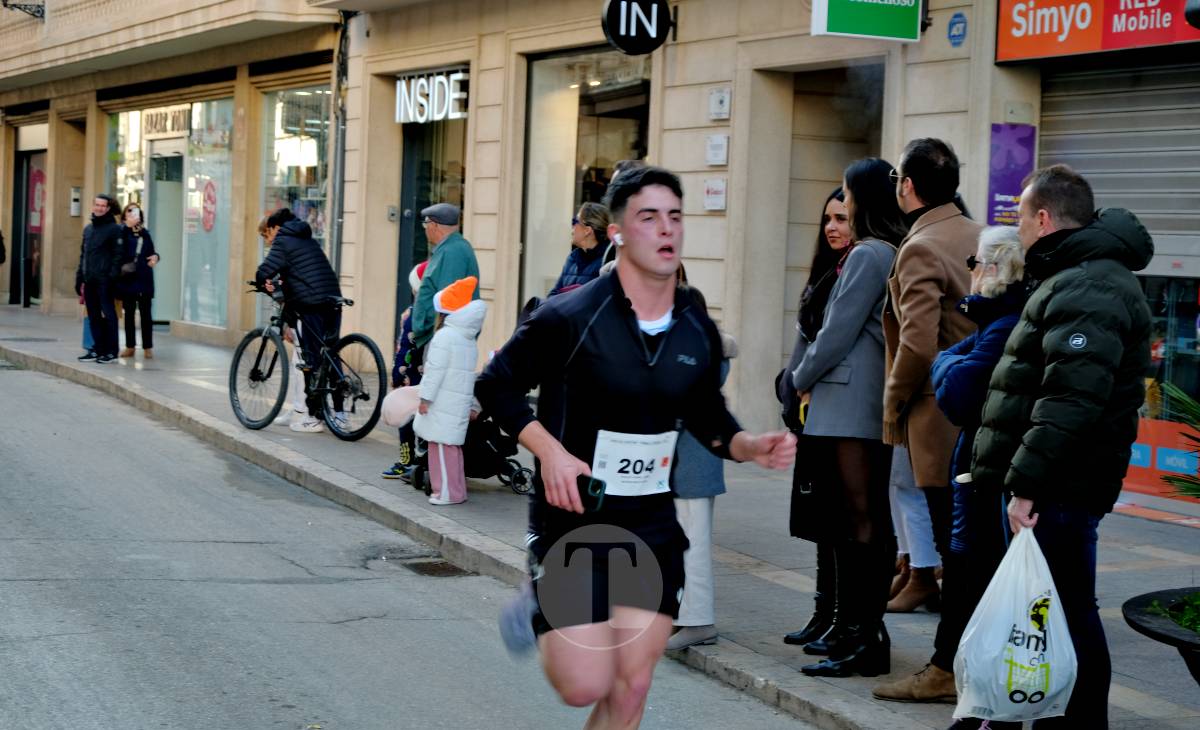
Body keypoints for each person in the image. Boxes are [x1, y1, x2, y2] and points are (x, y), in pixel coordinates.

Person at [478, 166, 795, 729]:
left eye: (675, 216)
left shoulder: (692, 316)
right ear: (619, 230)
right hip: (576, 517)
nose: (666, 229)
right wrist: (549, 451)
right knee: (586, 685)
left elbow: (704, 411)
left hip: (651, 523)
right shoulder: (570, 314)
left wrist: (747, 445)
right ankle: (538, 601)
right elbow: (495, 385)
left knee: (633, 684)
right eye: (649, 217)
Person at [972, 165, 1152, 727]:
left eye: (1022, 219)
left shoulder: (1089, 284)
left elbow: (1070, 400)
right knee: (1055, 614)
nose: (1018, 231)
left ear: (1044, 218)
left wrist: (1026, 485)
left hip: (1061, 486)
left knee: (1068, 614)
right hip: (1060, 483)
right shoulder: (1078, 275)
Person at [877, 227, 1031, 712]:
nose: (972, 271)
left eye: (976, 262)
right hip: (977, 467)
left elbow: (959, 387)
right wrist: (951, 361)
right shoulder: (992, 322)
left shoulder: (1004, 323)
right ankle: (950, 669)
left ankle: (953, 674)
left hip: (986, 474)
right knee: (963, 570)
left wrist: (945, 361)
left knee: (969, 572)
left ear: (997, 267)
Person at [789, 160, 902, 678]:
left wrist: (797, 376)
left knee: (862, 521)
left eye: (849, 197)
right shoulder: (879, 251)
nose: (843, 210)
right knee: (858, 520)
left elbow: (835, 332)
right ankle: (854, 631)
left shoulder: (870, 254)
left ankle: (863, 637)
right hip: (851, 400)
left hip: (850, 400)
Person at [881, 138, 983, 618]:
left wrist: (893, 399)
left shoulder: (920, 246)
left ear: (909, 185)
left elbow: (917, 342)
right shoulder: (979, 235)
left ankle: (952, 656)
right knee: (970, 533)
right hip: (980, 400)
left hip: (936, 408)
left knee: (950, 535)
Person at [778, 187, 850, 649]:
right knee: (822, 520)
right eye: (828, 218)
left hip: (835, 412)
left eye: (843, 218)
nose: (832, 227)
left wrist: (800, 378)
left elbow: (831, 342)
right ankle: (823, 611)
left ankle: (839, 615)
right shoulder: (826, 273)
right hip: (811, 414)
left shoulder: (856, 270)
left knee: (839, 523)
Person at [666, 285, 737, 651]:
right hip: (683, 467)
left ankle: (699, 621)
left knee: (693, 544)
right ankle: (682, 617)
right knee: (681, 544)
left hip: (693, 467)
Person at [255, 207, 342, 434]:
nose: (268, 238)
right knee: (327, 355)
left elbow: (266, 271)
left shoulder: (284, 240)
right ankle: (331, 414)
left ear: (275, 228)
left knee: (308, 359)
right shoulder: (305, 238)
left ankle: (310, 417)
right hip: (331, 298)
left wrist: (260, 281)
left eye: (267, 233)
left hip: (311, 304)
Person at [415, 276, 487, 506]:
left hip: (441, 403)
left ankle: (444, 493)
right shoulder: (467, 339)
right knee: (454, 449)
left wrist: (425, 398)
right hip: (456, 403)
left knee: (440, 449)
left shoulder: (444, 337)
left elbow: (434, 371)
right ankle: (457, 491)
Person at [411, 203, 480, 352]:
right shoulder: (452, 248)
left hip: (442, 341)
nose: (425, 229)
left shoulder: (452, 252)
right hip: (442, 338)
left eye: (426, 224)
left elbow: (448, 302)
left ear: (434, 225)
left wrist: (432, 333)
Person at [383, 261, 428, 480]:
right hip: (429, 380)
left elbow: (404, 351)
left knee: (405, 423)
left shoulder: (413, 316)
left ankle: (405, 461)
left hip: (411, 379)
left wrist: (397, 376)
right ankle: (424, 461)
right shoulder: (436, 313)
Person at [75, 195, 123, 364]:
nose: (100, 208)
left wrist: (111, 278)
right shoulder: (88, 229)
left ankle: (112, 351)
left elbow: (118, 257)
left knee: (109, 315)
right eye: (97, 205)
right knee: (94, 316)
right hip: (89, 280)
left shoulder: (115, 229)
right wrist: (79, 277)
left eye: (103, 205)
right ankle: (98, 349)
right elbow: (83, 255)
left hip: (105, 281)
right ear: (93, 206)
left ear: (108, 208)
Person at [116, 203, 160, 359]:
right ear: (124, 215)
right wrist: (126, 228)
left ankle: (148, 347)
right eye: (130, 212)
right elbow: (117, 251)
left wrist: (156, 257)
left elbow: (152, 252)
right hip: (128, 278)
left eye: (136, 212)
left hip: (144, 278)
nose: (133, 215)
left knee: (146, 314)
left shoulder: (145, 233)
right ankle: (130, 346)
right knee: (129, 314)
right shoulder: (120, 232)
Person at [549, 202, 612, 297]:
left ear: (587, 230)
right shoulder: (573, 258)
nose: (572, 227)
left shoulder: (608, 261)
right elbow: (553, 294)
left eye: (575, 221)